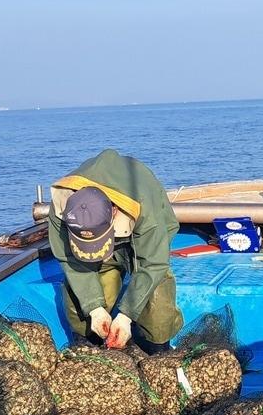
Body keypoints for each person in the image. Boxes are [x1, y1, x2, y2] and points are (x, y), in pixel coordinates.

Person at [48, 148, 184, 351]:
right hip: (106, 232)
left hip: (145, 230)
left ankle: (155, 345)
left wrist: (126, 315)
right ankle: (88, 341)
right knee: (81, 300)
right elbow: (70, 259)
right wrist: (93, 308)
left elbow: (153, 263)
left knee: (156, 298)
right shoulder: (62, 206)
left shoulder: (145, 209)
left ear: (114, 212)